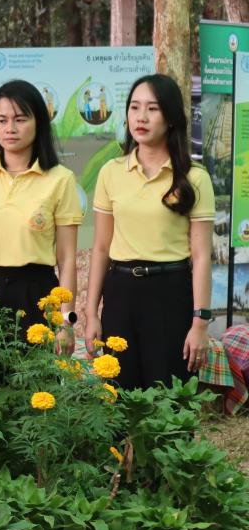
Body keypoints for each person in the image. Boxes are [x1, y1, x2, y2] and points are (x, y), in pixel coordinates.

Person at [82, 74, 213, 388]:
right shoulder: (111, 172)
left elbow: (202, 256)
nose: (141, 117)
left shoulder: (194, 177)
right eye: (134, 107)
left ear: (169, 118)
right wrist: (91, 314)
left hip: (170, 294)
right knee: (116, 395)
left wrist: (200, 323)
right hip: (120, 294)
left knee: (169, 398)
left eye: (152, 109)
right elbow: (100, 248)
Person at [0, 79, 81, 336]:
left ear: (39, 123)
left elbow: (66, 260)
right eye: (1, 120)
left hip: (37, 294)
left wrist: (67, 322)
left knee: (35, 375)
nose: (10, 128)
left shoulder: (60, 178)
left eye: (20, 119)